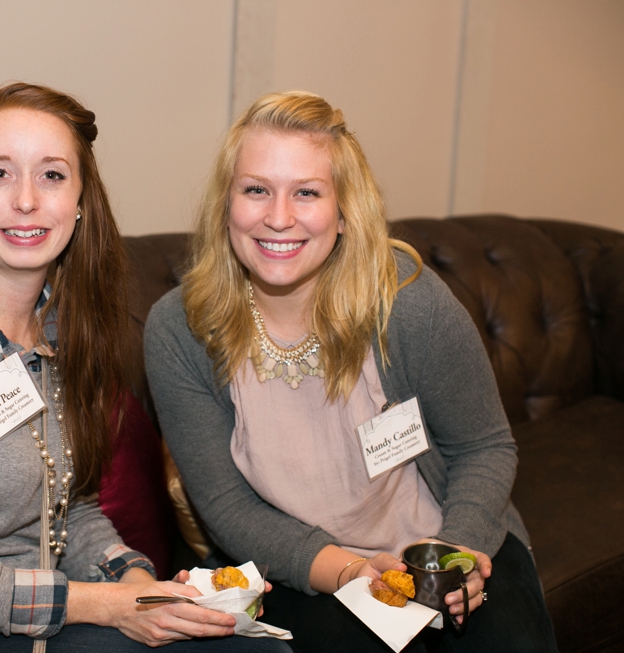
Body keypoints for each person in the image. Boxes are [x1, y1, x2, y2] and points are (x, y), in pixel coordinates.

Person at [0, 82, 291, 653]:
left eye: (52, 175)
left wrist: (139, 585)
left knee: (255, 648)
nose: (26, 200)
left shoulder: (57, 326)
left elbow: (67, 508)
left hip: (46, 613)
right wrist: (109, 606)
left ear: (81, 201)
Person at [143, 91, 558, 652]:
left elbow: (485, 447)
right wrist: (344, 571)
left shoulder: (407, 302)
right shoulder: (180, 329)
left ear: (343, 213)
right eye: (256, 189)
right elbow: (225, 507)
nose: (279, 217)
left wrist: (449, 560)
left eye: (307, 192)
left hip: (447, 540)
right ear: (226, 204)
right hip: (299, 564)